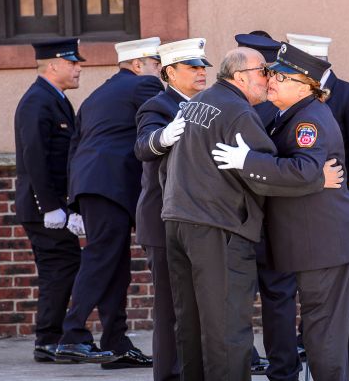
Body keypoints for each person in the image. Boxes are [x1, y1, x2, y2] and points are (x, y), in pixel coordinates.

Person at [160, 47, 341, 381]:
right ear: (240, 76)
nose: (269, 78)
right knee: (226, 327)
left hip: (178, 222)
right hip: (219, 228)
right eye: (263, 71)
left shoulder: (197, 103)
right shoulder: (239, 113)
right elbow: (266, 174)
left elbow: (167, 165)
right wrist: (318, 177)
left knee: (191, 321)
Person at [212, 43, 349, 381]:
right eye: (272, 74)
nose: (272, 81)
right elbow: (305, 171)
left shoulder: (308, 121)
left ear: (305, 85)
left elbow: (302, 170)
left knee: (324, 335)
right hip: (323, 242)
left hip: (322, 245)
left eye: (282, 77)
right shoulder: (290, 114)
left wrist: (249, 162)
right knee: (346, 334)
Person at [56, 37, 162, 367]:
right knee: (102, 258)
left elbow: (76, 145)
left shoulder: (98, 94)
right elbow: (163, 122)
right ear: (136, 65)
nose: (159, 69)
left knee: (115, 266)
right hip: (111, 186)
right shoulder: (143, 86)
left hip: (95, 186)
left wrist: (75, 198)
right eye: (155, 63)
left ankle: (115, 342)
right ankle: (72, 336)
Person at [288, 33, 349, 359]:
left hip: (346, 202)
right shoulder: (300, 97)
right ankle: (311, 339)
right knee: (315, 275)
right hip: (314, 202)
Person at [133, 37, 210, 380]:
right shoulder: (158, 105)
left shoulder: (207, 105)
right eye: (191, 67)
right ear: (169, 72)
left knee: (196, 308)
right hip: (162, 221)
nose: (200, 72)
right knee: (171, 309)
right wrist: (163, 137)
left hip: (196, 220)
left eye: (202, 66)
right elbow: (143, 146)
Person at [14, 38, 84, 363]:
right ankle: (49, 339)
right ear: (54, 64)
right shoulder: (37, 102)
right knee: (61, 265)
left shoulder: (54, 100)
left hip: (54, 206)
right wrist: (51, 206)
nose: (79, 68)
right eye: (73, 63)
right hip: (44, 209)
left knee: (60, 266)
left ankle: (50, 337)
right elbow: (35, 156)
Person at [235, 31, 300, 381]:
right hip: (269, 217)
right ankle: (283, 370)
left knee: (243, 298)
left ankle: (252, 362)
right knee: (278, 299)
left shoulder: (242, 106)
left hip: (248, 217)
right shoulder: (274, 108)